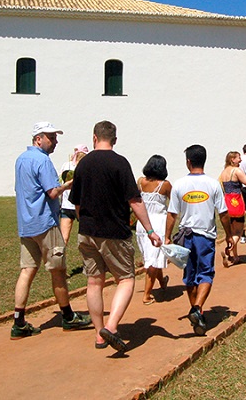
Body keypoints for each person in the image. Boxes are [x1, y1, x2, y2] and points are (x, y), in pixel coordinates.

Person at [68, 121, 162, 353]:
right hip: (115, 233)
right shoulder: (120, 163)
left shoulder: (83, 164)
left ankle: (100, 335)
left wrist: (85, 223)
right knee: (126, 279)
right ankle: (111, 325)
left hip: (88, 232)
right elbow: (135, 200)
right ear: (115, 140)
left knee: (94, 282)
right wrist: (150, 230)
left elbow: (76, 203)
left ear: (94, 138)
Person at [12, 121, 92, 340]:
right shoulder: (43, 161)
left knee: (27, 270)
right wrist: (70, 184)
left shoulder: (21, 159)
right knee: (57, 270)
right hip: (45, 222)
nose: (55, 142)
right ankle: (68, 316)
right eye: (51, 137)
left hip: (26, 223)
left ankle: (18, 321)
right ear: (39, 139)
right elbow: (53, 192)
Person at [165, 144, 230, 336]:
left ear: (188, 162)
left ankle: (197, 311)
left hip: (186, 237)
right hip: (205, 237)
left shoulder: (179, 184)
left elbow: (172, 214)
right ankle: (197, 308)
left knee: (190, 276)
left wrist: (167, 236)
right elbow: (223, 213)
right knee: (206, 274)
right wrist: (228, 235)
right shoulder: (213, 184)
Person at [136, 155, 172, 305]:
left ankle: (162, 281)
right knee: (153, 259)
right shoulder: (165, 185)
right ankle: (146, 294)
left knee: (152, 256)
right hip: (158, 223)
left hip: (142, 223)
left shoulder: (140, 182)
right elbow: (173, 205)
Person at [218, 150, 246, 266]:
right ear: (232, 159)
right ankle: (228, 251)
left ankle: (235, 256)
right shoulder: (236, 171)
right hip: (236, 202)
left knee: (231, 230)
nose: (240, 160)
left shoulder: (224, 172)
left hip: (226, 202)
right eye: (238, 158)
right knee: (238, 231)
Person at [59, 144, 89, 253]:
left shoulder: (66, 166)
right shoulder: (86, 167)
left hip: (66, 205)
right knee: (87, 238)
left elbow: (60, 181)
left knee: (63, 238)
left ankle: (59, 262)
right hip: (81, 205)